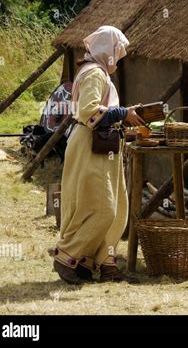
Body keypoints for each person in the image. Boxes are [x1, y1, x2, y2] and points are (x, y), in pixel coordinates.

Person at [53, 26, 145, 284]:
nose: (121, 55)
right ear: (109, 49)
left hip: (105, 146)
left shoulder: (99, 72)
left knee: (117, 210)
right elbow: (88, 111)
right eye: (118, 50)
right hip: (89, 145)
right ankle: (67, 257)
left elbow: (104, 110)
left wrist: (126, 116)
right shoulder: (94, 73)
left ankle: (104, 264)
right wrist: (123, 113)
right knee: (102, 208)